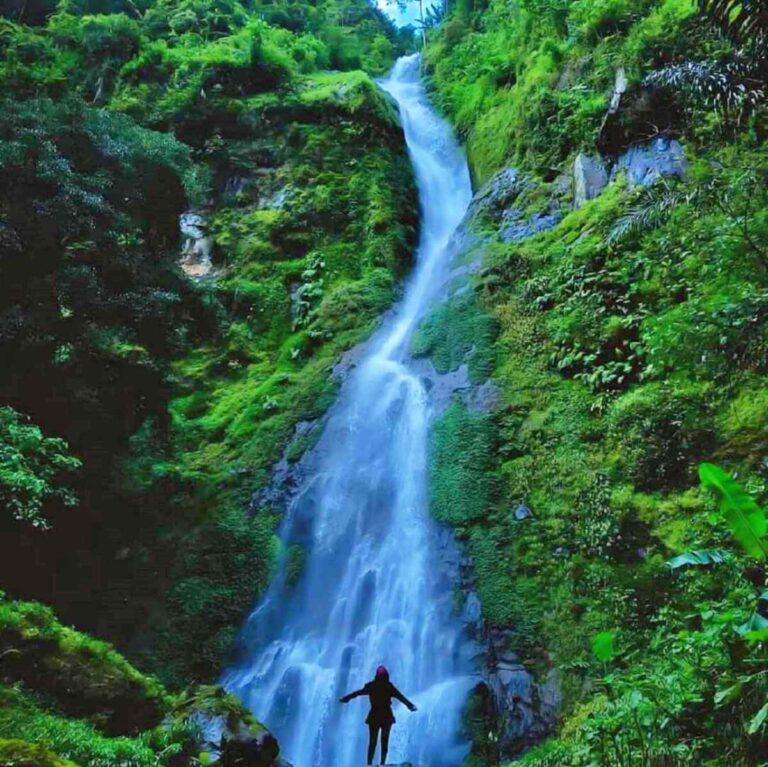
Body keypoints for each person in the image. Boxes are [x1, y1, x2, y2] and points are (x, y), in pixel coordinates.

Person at [339, 666, 418, 765]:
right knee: (383, 742)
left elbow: (357, 693)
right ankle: (381, 763)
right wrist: (410, 706)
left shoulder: (372, 686)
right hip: (386, 716)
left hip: (375, 716)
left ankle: (369, 764)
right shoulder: (389, 687)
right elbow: (401, 697)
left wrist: (346, 698)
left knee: (373, 742)